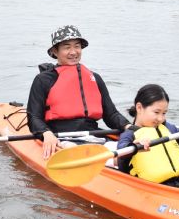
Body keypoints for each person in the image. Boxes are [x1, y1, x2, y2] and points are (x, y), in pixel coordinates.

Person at [27, 25, 130, 159]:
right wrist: (46, 133)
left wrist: (128, 126)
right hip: (61, 136)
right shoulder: (43, 80)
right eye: (67, 47)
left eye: (77, 46)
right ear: (55, 51)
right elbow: (34, 117)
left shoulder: (95, 78)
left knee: (128, 151)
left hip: (93, 135)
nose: (73, 52)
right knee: (76, 151)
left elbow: (111, 114)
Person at [117, 84, 179, 189]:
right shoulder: (130, 134)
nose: (160, 118)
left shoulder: (166, 128)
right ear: (139, 108)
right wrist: (134, 146)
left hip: (177, 184)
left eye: (164, 113)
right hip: (150, 189)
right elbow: (122, 150)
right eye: (156, 112)